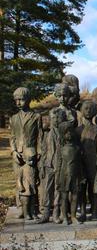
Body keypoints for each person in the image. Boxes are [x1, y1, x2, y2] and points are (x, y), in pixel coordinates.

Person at [10, 87, 41, 219]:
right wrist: (13, 151)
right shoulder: (14, 118)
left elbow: (40, 137)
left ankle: (32, 210)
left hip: (30, 153)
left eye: (21, 100)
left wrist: (38, 153)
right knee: (19, 182)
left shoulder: (36, 117)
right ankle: (22, 209)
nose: (18, 103)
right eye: (16, 100)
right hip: (17, 154)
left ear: (28, 100)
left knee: (31, 182)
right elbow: (12, 137)